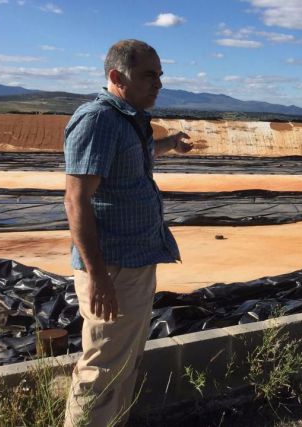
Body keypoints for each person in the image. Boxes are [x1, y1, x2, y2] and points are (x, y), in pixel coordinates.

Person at [63, 39, 193, 426]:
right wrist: (99, 276)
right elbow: (76, 200)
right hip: (112, 270)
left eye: (160, 75)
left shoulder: (127, 120)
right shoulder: (98, 120)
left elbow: (135, 155)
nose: (158, 83)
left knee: (122, 365)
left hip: (133, 263)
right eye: (148, 75)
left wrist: (170, 143)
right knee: (101, 370)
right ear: (117, 76)